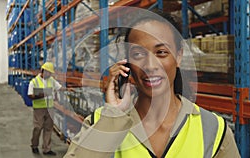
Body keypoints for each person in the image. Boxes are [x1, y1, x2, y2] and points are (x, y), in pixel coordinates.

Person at [64, 10, 240, 158]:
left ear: (178, 56)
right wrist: (113, 118)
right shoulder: (101, 122)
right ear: (126, 63)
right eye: (138, 55)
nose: (150, 66)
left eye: (161, 52)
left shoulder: (213, 130)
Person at [28, 62, 70, 156]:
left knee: (48, 128)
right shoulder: (34, 82)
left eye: (50, 73)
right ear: (42, 71)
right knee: (37, 128)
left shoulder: (52, 80)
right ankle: (34, 145)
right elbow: (30, 95)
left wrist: (68, 89)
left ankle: (47, 149)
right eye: (48, 72)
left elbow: (59, 88)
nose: (49, 75)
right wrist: (42, 94)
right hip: (39, 108)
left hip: (49, 108)